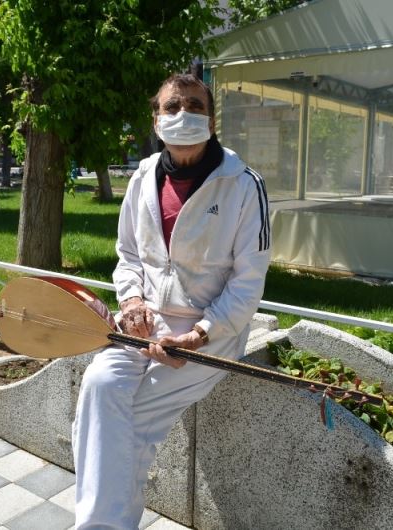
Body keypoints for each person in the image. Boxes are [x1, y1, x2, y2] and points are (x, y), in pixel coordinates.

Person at [72, 73, 271, 529]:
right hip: (143, 326)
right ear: (156, 120)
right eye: (173, 107)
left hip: (211, 331)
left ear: (212, 120)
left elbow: (248, 281)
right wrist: (132, 301)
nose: (184, 115)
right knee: (99, 387)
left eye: (195, 106)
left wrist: (201, 334)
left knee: (127, 423)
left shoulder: (243, 184)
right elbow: (128, 255)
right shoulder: (142, 178)